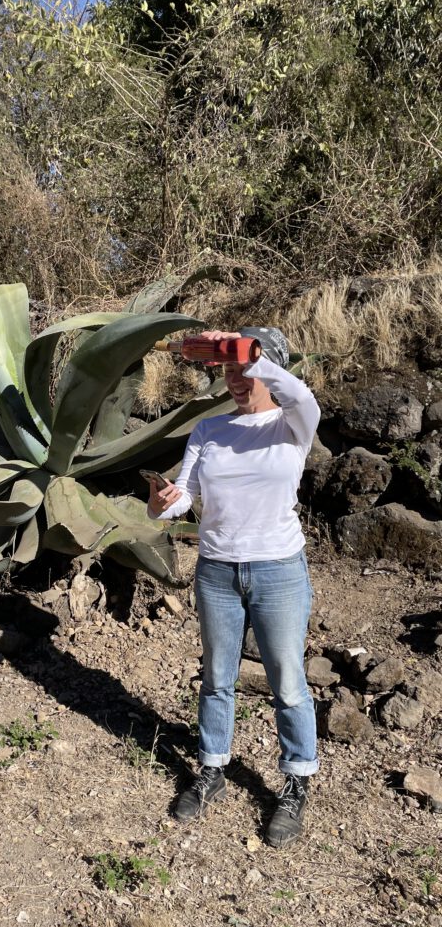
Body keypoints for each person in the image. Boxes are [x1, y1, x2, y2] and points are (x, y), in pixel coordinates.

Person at [147, 327, 320, 848]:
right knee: (217, 676)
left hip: (278, 570)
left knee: (287, 680)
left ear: (270, 369)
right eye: (227, 372)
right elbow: (184, 497)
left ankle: (295, 783)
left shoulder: (293, 426)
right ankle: (212, 769)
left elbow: (302, 395)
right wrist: (162, 502)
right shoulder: (209, 430)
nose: (236, 381)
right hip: (217, 570)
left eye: (245, 372)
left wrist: (247, 355)